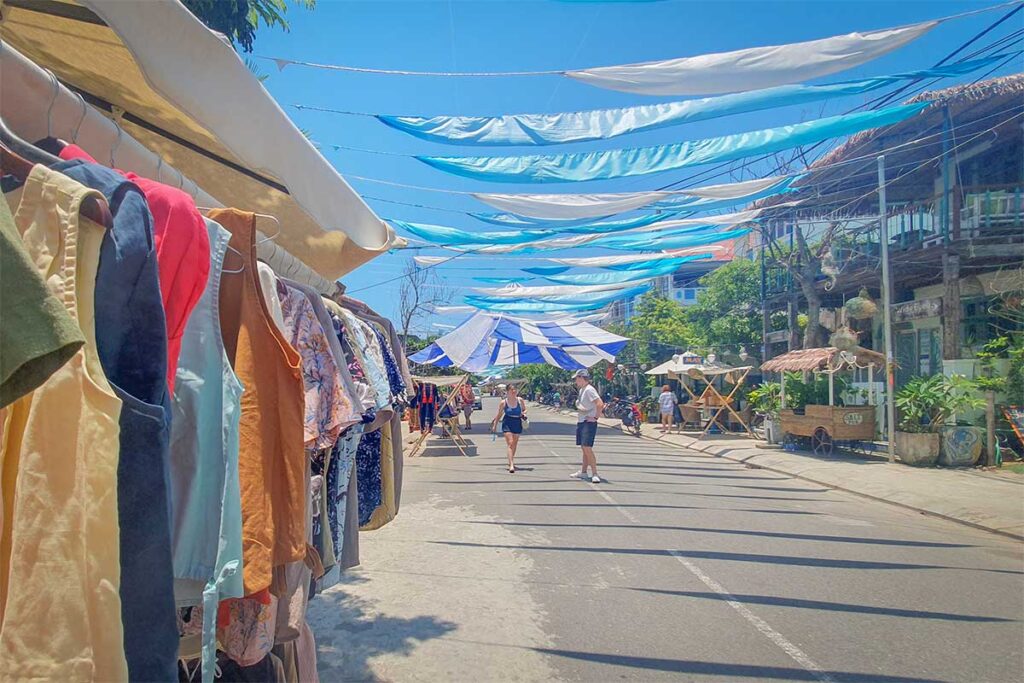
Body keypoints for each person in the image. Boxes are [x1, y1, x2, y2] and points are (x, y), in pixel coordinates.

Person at [569, 370, 604, 484]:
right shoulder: (582, 390)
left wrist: (595, 417)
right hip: (582, 421)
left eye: (576, 379)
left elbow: (599, 403)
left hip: (588, 422)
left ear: (581, 378)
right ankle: (583, 472)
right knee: (584, 448)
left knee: (587, 448)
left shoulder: (589, 390)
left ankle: (595, 473)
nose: (575, 381)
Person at [491, 385, 527, 473]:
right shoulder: (504, 402)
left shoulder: (520, 400)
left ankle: (511, 460)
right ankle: (511, 464)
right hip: (507, 422)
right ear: (507, 391)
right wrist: (495, 425)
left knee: (514, 443)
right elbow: (499, 414)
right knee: (510, 443)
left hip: (517, 422)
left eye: (515, 389)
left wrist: (523, 414)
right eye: (512, 389)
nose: (514, 391)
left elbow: (525, 409)